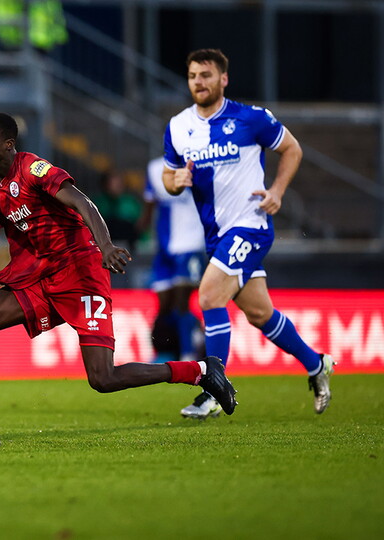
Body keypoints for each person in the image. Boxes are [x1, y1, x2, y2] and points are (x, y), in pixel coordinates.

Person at [0, 113, 237, 448]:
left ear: (8, 144)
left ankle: (200, 370)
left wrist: (105, 246)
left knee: (103, 378)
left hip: (80, 275)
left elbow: (84, 203)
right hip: (38, 279)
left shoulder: (33, 169)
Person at [163, 49, 335, 418]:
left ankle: (213, 391)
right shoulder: (178, 126)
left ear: (223, 79)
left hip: (250, 226)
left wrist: (277, 192)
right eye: (193, 76)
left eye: (206, 75)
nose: (199, 82)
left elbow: (292, 149)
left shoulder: (251, 117)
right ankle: (317, 364)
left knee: (209, 296)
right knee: (260, 313)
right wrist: (176, 181)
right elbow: (168, 175)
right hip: (216, 236)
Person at [140, 157, 205, 366]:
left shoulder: (199, 163)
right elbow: (150, 203)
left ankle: (188, 354)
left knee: (182, 302)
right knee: (165, 306)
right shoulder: (154, 168)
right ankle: (170, 351)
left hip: (190, 244)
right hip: (164, 247)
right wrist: (138, 229)